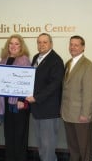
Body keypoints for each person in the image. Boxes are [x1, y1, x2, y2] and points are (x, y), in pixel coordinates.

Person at [25, 33, 64, 161]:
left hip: (48, 110)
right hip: (37, 110)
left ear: (51, 44)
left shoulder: (56, 60)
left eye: (45, 42)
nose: (41, 45)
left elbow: (54, 85)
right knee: (41, 145)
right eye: (39, 42)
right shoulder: (37, 57)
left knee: (48, 145)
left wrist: (36, 98)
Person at [61, 35, 92, 161]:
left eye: (76, 45)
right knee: (73, 148)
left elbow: (89, 92)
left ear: (83, 47)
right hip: (68, 114)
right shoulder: (68, 63)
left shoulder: (87, 65)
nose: (73, 47)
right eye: (71, 44)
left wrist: (85, 114)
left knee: (84, 149)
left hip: (81, 116)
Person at [0, 34, 31, 161]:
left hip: (18, 105)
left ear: (21, 46)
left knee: (19, 136)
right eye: (11, 43)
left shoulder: (24, 60)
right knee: (9, 136)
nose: (13, 46)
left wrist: (22, 100)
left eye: (17, 44)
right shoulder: (3, 60)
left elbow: (27, 82)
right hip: (5, 104)